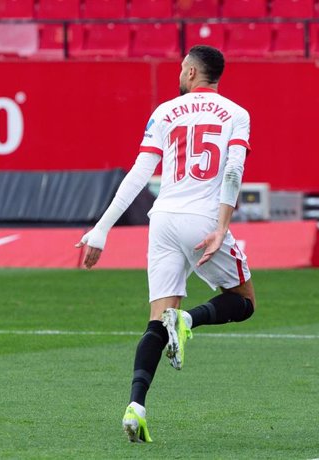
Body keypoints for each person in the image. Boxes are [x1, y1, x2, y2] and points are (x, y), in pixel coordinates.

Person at [75, 45, 256, 443]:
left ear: (191, 72)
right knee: (244, 301)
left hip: (163, 220)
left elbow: (140, 173)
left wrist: (101, 229)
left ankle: (136, 406)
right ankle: (189, 320)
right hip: (203, 220)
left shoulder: (164, 112)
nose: (179, 74)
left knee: (156, 319)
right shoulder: (237, 114)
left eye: (181, 69)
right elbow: (234, 169)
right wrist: (222, 225)